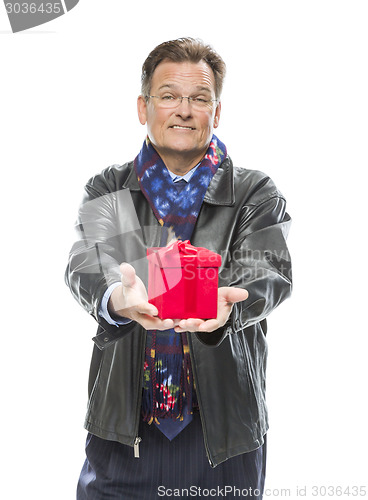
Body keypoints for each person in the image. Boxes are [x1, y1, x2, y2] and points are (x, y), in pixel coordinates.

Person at [65, 37, 292, 500]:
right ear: (143, 107)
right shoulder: (110, 187)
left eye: (199, 98)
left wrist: (227, 307)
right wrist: (116, 298)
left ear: (217, 111)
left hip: (224, 438)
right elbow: (90, 261)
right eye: (169, 96)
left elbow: (266, 269)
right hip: (123, 432)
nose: (183, 110)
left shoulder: (253, 192)